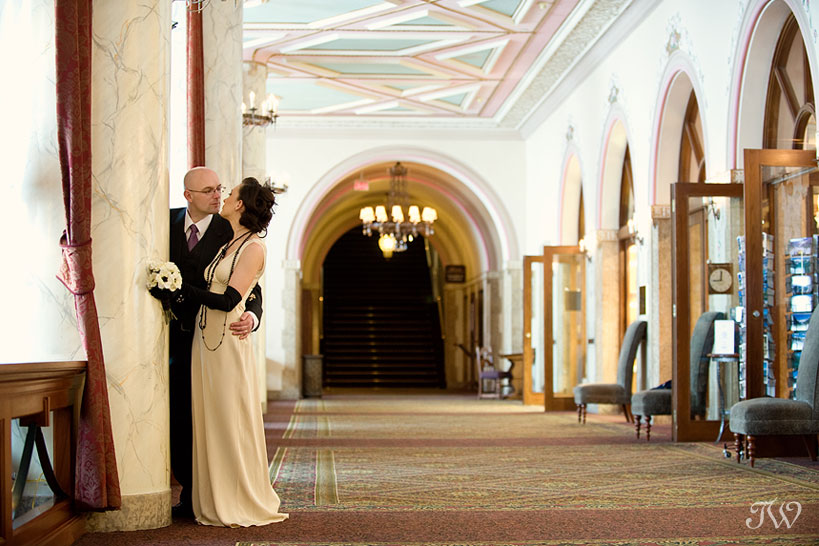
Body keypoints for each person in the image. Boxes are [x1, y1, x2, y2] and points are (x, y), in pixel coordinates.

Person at [182, 176, 287, 527]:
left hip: (226, 341)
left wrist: (180, 289)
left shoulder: (253, 246)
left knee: (228, 418)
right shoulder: (230, 240)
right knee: (209, 417)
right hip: (205, 340)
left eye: (229, 194)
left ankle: (236, 497)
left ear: (240, 205)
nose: (223, 197)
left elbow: (233, 299)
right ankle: (211, 496)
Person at [165, 167, 263, 519]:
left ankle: (199, 496)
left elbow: (250, 288)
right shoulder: (164, 221)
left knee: (210, 416)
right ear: (187, 195)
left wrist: (253, 316)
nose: (217, 195)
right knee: (181, 416)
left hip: (214, 336)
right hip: (171, 338)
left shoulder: (230, 230)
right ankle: (191, 491)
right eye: (208, 190)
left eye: (221, 189)